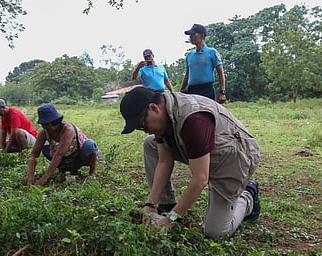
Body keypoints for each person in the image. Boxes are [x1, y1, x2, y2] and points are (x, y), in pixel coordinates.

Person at [119, 87, 260, 239]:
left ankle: (248, 196)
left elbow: (200, 179)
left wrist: (170, 220)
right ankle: (167, 205)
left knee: (215, 233)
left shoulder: (194, 121)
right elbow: (164, 161)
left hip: (234, 156)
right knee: (150, 143)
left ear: (153, 108)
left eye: (142, 125)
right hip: (206, 150)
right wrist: (150, 204)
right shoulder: (165, 114)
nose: (144, 130)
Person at [27, 103, 99, 186]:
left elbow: (59, 154)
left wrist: (44, 179)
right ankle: (64, 169)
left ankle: (92, 171)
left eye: (47, 124)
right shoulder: (44, 132)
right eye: (43, 124)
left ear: (53, 122)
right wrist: (30, 178)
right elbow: (33, 155)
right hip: (66, 159)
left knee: (90, 145)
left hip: (79, 156)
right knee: (46, 149)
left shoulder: (68, 129)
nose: (45, 127)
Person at [180, 24, 226, 103]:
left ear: (202, 35)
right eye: (190, 35)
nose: (190, 37)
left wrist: (222, 92)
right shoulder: (189, 55)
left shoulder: (212, 52)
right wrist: (181, 91)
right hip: (192, 91)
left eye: (193, 34)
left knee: (208, 113)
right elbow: (187, 75)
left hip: (206, 90)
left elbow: (220, 72)